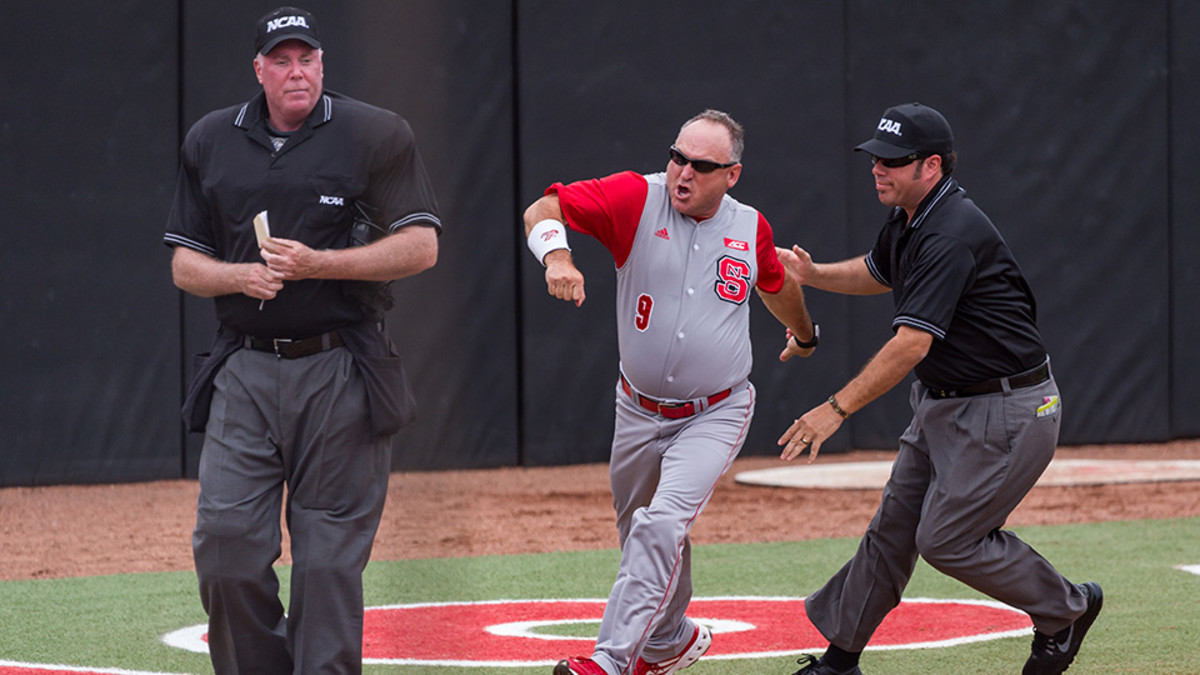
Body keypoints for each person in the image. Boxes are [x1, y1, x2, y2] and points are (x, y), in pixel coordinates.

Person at [775, 103, 1101, 675]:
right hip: (945, 404)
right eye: (874, 157)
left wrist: (836, 409)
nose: (877, 168)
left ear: (931, 165)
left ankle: (1066, 609)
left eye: (891, 160)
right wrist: (815, 274)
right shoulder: (912, 217)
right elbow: (880, 272)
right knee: (892, 531)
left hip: (1006, 409)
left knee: (948, 539)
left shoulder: (950, 231)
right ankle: (839, 661)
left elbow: (910, 345)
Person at [162, 7, 441, 673]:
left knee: (326, 560)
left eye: (307, 58)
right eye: (281, 60)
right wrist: (240, 275)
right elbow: (183, 263)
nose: (297, 71)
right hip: (246, 368)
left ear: (323, 64)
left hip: (341, 365)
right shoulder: (211, 139)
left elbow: (422, 245)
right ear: (258, 69)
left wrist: (323, 264)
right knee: (226, 546)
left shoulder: (374, 133)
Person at [524, 110, 818, 675]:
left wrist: (805, 335)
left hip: (717, 408)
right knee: (644, 530)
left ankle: (610, 662)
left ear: (732, 174)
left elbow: (776, 286)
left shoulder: (749, 225)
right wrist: (557, 257)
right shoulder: (636, 197)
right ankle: (672, 639)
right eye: (677, 156)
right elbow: (544, 207)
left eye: (702, 166)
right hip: (635, 407)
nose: (683, 173)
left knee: (659, 526)